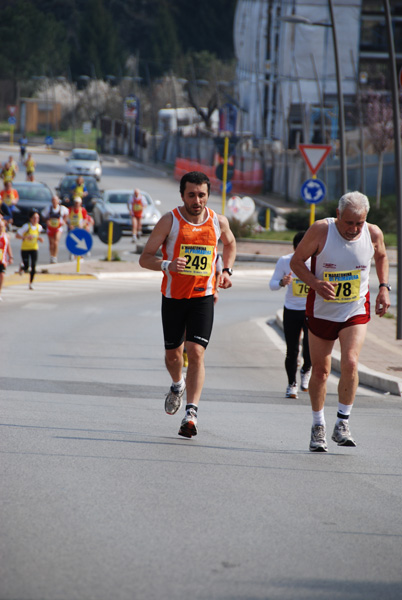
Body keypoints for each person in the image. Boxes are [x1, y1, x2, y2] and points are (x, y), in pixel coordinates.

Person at [290, 191, 391, 452]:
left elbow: (381, 256)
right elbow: (296, 262)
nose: (354, 229)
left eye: (359, 223)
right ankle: (318, 425)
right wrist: (315, 283)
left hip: (354, 309)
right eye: (349, 222)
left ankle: (342, 422)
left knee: (351, 362)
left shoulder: (373, 233)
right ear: (338, 215)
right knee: (322, 371)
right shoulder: (321, 231)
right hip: (322, 310)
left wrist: (383, 287)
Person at [139, 171, 236, 438]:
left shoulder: (218, 221)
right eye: (191, 195)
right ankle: (176, 383)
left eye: (202, 195)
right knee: (173, 356)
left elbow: (230, 244)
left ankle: (191, 413)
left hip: (202, 297)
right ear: (182, 195)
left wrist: (226, 271)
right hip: (173, 298)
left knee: (195, 352)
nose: (197, 200)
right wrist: (167, 264)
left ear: (208, 195)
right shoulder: (169, 221)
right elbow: (145, 258)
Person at [269, 231, 311, 399]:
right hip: (292, 310)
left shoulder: (318, 261)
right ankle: (291, 384)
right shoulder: (286, 261)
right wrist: (282, 282)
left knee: (310, 350)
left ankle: (306, 369)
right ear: (294, 248)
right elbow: (272, 284)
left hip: (312, 311)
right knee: (292, 350)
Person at [16, 209, 44, 290]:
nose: (36, 220)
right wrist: (25, 237)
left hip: (34, 248)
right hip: (25, 248)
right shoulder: (26, 227)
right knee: (26, 266)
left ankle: (31, 283)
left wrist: (39, 239)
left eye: (37, 218)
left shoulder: (39, 227)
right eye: (34, 218)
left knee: (34, 266)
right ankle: (22, 267)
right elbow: (17, 235)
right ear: (30, 219)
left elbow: (36, 236)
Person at [41, 195, 69, 263]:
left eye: (55, 200)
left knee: (56, 242)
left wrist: (64, 221)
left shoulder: (62, 208)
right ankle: (51, 256)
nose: (54, 202)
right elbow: (43, 215)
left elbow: (67, 214)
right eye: (53, 200)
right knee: (51, 243)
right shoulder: (48, 208)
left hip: (58, 228)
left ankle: (55, 257)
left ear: (58, 201)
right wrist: (46, 221)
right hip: (50, 228)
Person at [0, 217, 13, 300]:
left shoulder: (6, 236)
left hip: (2, 260)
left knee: (2, 275)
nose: (0, 229)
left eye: (1, 227)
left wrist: (11, 257)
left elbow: (8, 247)